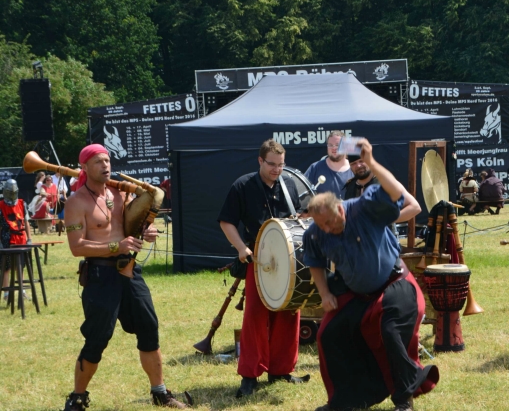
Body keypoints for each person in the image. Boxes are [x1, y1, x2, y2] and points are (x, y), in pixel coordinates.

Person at [303, 138, 438, 411]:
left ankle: (404, 399)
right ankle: (344, 401)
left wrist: (373, 162)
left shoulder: (365, 206)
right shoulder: (316, 231)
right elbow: (315, 261)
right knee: (328, 334)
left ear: (340, 208)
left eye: (330, 222)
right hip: (357, 293)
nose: (327, 229)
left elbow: (394, 193)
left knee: (390, 331)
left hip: (394, 283)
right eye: (321, 225)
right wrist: (324, 292)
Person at [62, 144, 187, 410]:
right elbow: (76, 247)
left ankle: (160, 392)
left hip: (130, 271)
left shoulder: (120, 193)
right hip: (100, 274)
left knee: (148, 327)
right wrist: (114, 247)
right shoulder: (76, 202)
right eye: (98, 161)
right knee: (97, 337)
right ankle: (77, 398)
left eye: (107, 160)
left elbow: (135, 222)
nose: (105, 165)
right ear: (84, 167)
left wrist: (148, 229)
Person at [218, 139, 309, 398]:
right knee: (256, 318)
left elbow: (298, 220)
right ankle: (250, 375)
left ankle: (280, 370)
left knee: (289, 313)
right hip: (258, 260)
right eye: (272, 164)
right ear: (260, 160)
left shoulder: (289, 184)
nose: (277, 169)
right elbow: (226, 221)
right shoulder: (243, 186)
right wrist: (240, 248)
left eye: (281, 165)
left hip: (289, 261)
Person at [0, 179, 32, 302]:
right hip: (6, 239)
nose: (12, 195)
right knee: (6, 267)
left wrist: (29, 238)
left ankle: (22, 291)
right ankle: (6, 293)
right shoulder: (1, 205)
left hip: (21, 238)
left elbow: (26, 222)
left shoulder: (21, 203)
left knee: (20, 265)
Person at [305, 131, 354, 198]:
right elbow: (303, 194)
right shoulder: (315, 168)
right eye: (330, 145)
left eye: (337, 145)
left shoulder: (355, 169)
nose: (334, 148)